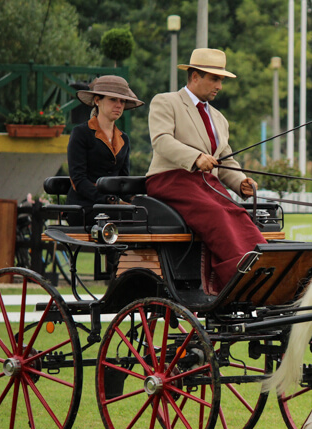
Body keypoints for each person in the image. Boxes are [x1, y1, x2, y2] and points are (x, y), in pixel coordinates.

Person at [145, 48, 264, 294]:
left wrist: (240, 182)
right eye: (214, 79)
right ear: (195, 76)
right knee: (216, 213)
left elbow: (225, 159)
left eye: (221, 80)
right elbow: (161, 140)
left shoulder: (219, 118)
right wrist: (196, 157)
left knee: (237, 213)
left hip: (205, 185)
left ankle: (262, 268)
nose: (219, 86)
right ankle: (237, 275)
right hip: (170, 180)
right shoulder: (166, 102)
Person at [66, 75, 143, 226]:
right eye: (113, 99)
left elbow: (123, 181)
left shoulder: (124, 139)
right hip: (83, 207)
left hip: (112, 207)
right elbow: (78, 180)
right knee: (129, 217)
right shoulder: (81, 133)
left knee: (147, 214)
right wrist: (108, 199)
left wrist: (135, 199)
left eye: (122, 101)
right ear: (97, 100)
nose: (119, 105)